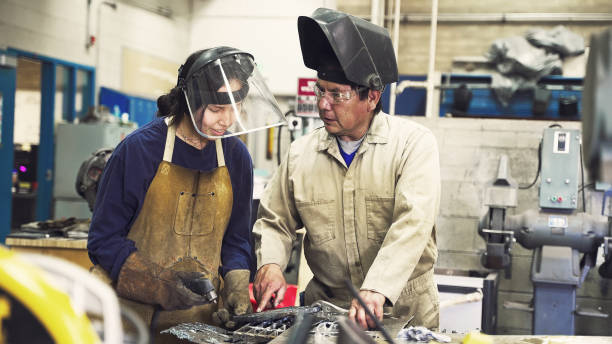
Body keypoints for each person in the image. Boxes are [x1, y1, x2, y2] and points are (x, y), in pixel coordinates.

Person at [253, 8, 441, 330]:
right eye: (320, 90)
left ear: (372, 97)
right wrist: (270, 264)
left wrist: (377, 288)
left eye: (337, 94)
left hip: (404, 314)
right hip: (326, 315)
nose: (324, 104)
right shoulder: (301, 154)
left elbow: (413, 223)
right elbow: (276, 220)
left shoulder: (413, 145)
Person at [87, 47, 286, 338]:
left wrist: (236, 280)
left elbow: (235, 239)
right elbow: (103, 240)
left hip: (201, 324)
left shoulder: (236, 157)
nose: (228, 120)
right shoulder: (140, 149)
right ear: (190, 101)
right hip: (131, 321)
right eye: (218, 109)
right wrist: (158, 284)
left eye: (236, 107)